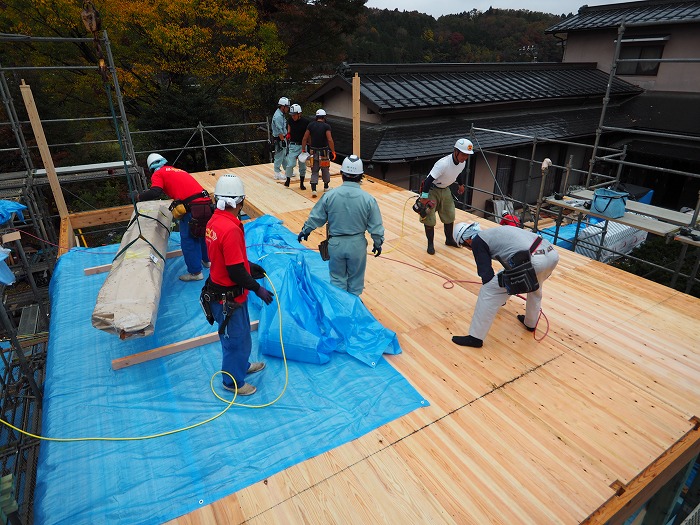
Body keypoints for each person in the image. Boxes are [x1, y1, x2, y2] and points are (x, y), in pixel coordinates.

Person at [202, 174, 275, 396]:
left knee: (242, 336)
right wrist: (257, 288)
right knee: (234, 341)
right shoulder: (231, 228)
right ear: (239, 202)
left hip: (227, 294)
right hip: (228, 298)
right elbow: (234, 271)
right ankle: (231, 381)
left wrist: (248, 265)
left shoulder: (215, 221)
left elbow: (227, 258)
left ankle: (241, 367)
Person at [450, 222, 559, 348]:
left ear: (467, 239)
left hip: (532, 261)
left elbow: (486, 275)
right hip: (551, 255)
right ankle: (530, 323)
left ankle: (475, 337)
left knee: (489, 291)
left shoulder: (477, 241)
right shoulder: (494, 233)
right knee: (535, 288)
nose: (469, 248)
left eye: (464, 245)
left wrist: (499, 294)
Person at [297, 155, 384, 296]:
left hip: (336, 244)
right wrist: (378, 242)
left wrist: (306, 231)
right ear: (361, 176)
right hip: (357, 245)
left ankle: (340, 308)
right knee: (355, 282)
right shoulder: (368, 200)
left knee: (337, 281)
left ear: (342, 174)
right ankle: (353, 308)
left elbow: (316, 217)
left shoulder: (330, 195)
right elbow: (376, 226)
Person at [135, 153, 211, 281]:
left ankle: (195, 273)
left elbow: (155, 191)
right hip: (206, 203)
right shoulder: (178, 171)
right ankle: (207, 261)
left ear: (151, 168)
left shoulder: (159, 173)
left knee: (189, 239)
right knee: (201, 233)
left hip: (192, 208)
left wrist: (138, 197)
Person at [418, 138, 474, 255]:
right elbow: (428, 180)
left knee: (449, 214)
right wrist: (424, 197)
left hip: (445, 189)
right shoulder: (443, 164)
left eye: (467, 155)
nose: (465, 157)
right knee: (429, 218)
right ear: (456, 151)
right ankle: (430, 244)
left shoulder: (462, 163)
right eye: (463, 154)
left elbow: (457, 173)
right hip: (432, 189)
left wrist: (460, 184)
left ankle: (449, 239)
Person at [301, 109, 336, 198]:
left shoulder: (311, 125)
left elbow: (305, 138)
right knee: (325, 170)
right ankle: (326, 187)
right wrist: (333, 151)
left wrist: (303, 150)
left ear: (316, 117)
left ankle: (313, 189)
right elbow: (329, 139)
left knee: (314, 170)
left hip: (313, 152)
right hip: (324, 152)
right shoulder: (326, 126)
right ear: (324, 117)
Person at [284, 104, 309, 190]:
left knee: (302, 166)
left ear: (299, 114)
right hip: (293, 145)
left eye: (294, 115)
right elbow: (289, 126)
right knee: (290, 164)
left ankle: (301, 183)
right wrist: (288, 133)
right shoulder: (290, 120)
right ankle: (288, 180)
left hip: (302, 146)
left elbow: (308, 134)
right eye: (292, 115)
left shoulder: (306, 122)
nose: (293, 116)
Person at [271, 96, 290, 179]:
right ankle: (277, 173)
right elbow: (279, 130)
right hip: (279, 138)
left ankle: (288, 171)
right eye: (287, 107)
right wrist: (282, 140)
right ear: (282, 107)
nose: (288, 109)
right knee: (279, 155)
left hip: (282, 137)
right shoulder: (278, 116)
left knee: (284, 155)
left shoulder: (281, 114)